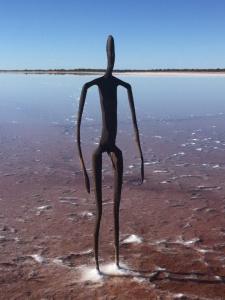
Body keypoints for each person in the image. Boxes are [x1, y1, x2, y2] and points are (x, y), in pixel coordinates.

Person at [77, 35, 144, 273]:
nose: (111, 59)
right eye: (109, 54)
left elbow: (135, 125)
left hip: (115, 149)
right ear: (106, 55)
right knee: (100, 210)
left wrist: (142, 159)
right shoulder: (91, 84)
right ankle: (96, 265)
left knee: (116, 208)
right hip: (100, 149)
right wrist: (84, 168)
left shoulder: (124, 85)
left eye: (114, 54)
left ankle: (115, 261)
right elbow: (77, 126)